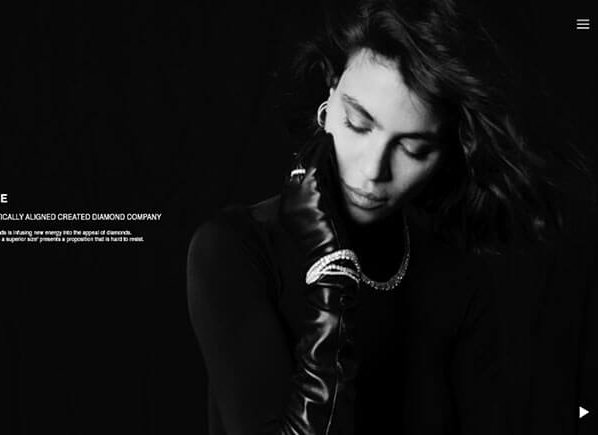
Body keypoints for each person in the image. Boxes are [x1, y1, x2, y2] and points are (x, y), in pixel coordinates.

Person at [186, 0, 592, 433]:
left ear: (445, 152)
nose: (372, 170)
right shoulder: (234, 249)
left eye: (412, 149)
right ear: (329, 97)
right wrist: (330, 277)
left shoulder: (454, 271)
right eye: (358, 124)